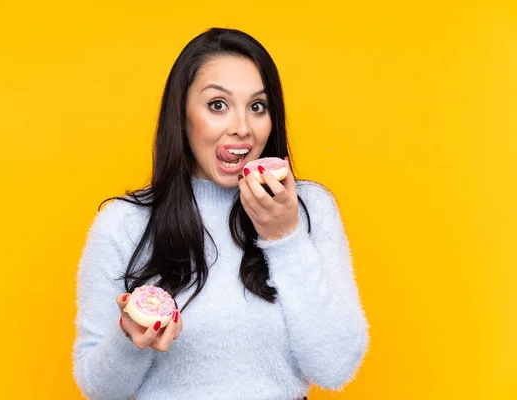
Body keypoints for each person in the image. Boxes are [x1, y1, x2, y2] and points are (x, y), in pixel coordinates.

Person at [72, 27, 369, 400]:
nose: (242, 128)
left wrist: (286, 238)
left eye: (257, 107)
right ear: (181, 116)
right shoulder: (124, 223)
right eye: (217, 105)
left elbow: (336, 367)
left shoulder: (308, 209)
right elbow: (99, 389)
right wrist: (129, 340)